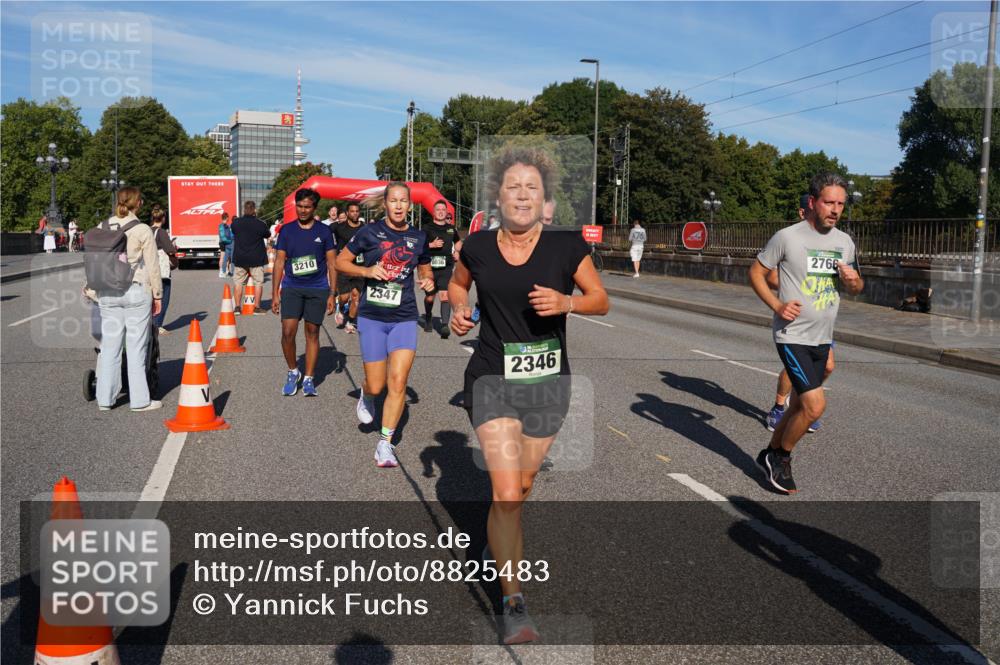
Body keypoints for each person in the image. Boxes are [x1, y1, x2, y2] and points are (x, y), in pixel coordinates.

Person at [448, 146, 609, 644]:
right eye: (513, 186)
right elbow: (458, 285)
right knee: (505, 492)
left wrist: (567, 302)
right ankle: (513, 602)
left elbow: (601, 300)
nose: (522, 195)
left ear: (544, 199)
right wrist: (459, 309)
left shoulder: (566, 247)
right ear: (497, 197)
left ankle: (499, 537)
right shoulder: (477, 246)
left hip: (547, 383)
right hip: (492, 377)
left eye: (531, 188)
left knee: (521, 485)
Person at [750, 173, 863, 494]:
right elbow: (756, 272)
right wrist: (777, 305)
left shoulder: (845, 242)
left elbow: (857, 287)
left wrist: (853, 281)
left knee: (800, 406)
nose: (835, 209)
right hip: (792, 335)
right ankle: (781, 457)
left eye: (841, 204)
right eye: (829, 202)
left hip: (823, 336)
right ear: (812, 202)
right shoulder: (787, 237)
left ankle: (769, 453)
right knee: (814, 407)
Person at [335, 182, 434, 469]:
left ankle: (385, 443)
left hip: (404, 316)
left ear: (410, 205)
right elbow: (341, 262)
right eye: (394, 201)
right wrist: (366, 270)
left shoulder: (419, 236)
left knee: (398, 381)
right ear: (385, 204)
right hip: (373, 317)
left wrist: (428, 281)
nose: (399, 206)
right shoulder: (369, 232)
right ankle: (366, 394)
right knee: (377, 385)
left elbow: (425, 268)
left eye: (404, 201)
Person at [765, 194, 836, 433]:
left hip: (821, 318)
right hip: (796, 319)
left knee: (827, 367)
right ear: (803, 212)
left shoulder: (828, 241)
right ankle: (778, 408)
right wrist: (796, 286)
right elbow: (769, 276)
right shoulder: (789, 238)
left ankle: (802, 403)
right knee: (797, 366)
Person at [93, 187, 164, 412]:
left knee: (109, 347)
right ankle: (140, 401)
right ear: (138, 203)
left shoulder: (102, 227)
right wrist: (157, 295)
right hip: (135, 290)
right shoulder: (142, 229)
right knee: (135, 347)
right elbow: (153, 265)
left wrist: (93, 290)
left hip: (107, 292)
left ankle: (105, 399)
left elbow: (94, 260)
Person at [271, 189, 338, 397]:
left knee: (312, 332)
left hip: (317, 288)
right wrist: (275, 293)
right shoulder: (287, 230)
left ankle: (309, 378)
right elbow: (279, 262)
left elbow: (332, 264)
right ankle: (293, 371)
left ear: (314, 208)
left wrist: (332, 293)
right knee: (287, 331)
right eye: (299, 206)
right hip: (292, 286)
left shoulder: (324, 231)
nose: (302, 210)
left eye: (307, 207)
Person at [422, 199, 463, 338]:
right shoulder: (427, 228)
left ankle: (445, 326)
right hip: (429, 267)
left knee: (445, 295)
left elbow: (458, 243)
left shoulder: (451, 229)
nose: (441, 212)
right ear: (433, 212)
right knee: (430, 297)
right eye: (438, 210)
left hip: (446, 267)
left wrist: (457, 251)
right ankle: (428, 317)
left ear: (446, 212)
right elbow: (418, 246)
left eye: (443, 210)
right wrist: (431, 245)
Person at [230, 201, 270, 315]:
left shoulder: (236, 223)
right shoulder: (260, 224)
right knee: (258, 283)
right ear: (254, 210)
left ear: (244, 209)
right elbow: (267, 234)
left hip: (240, 258)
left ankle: (237, 308)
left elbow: (233, 231)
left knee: (238, 282)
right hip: (256, 258)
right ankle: (257, 308)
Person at [332, 202, 366, 334]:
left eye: (357, 211)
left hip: (359, 267)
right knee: (345, 297)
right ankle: (340, 308)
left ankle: (350, 322)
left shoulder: (364, 228)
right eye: (352, 211)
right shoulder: (339, 227)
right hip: (344, 267)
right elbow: (322, 233)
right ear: (347, 213)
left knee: (356, 296)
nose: (355, 213)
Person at [150, 205, 177, 335]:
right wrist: (174, 248)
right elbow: (170, 250)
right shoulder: (161, 232)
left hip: (149, 268)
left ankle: (150, 323)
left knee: (151, 297)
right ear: (163, 218)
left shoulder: (147, 230)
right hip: (161, 270)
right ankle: (157, 324)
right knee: (163, 297)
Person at [218, 212, 234, 277]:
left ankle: (226, 271)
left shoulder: (225, 225)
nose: (228, 219)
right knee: (223, 258)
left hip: (225, 243)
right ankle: (221, 272)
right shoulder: (222, 226)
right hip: (223, 243)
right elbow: (223, 237)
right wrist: (230, 241)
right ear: (226, 217)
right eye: (228, 217)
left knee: (226, 258)